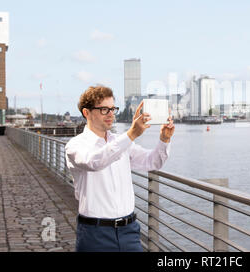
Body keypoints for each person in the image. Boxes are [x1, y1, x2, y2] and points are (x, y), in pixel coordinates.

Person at [64, 85, 175, 252]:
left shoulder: (122, 142)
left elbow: (152, 162)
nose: (110, 114)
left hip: (129, 231)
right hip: (95, 233)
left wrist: (164, 139)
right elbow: (95, 162)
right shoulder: (75, 145)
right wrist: (131, 134)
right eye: (103, 109)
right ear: (86, 113)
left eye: (112, 109)